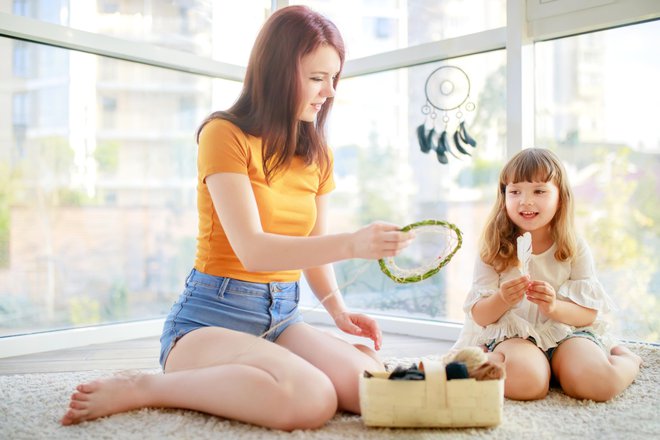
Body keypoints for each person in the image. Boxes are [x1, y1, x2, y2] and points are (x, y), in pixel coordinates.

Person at [60, 5, 413, 431]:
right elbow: (253, 249)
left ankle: (282, 366)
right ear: (278, 72)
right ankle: (145, 387)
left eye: (333, 78)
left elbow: (312, 249)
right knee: (312, 399)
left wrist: (339, 311)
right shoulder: (223, 134)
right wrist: (354, 243)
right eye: (317, 78)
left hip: (282, 318)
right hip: (210, 319)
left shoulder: (317, 155)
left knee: (375, 390)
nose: (329, 92)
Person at [453, 148, 641, 402]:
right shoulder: (494, 248)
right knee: (528, 385)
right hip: (515, 337)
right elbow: (479, 315)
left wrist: (553, 306)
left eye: (539, 191)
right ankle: (501, 359)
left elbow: (588, 314)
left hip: (567, 334)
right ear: (504, 196)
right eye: (515, 191)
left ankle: (629, 359)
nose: (526, 201)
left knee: (599, 384)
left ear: (560, 198)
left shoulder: (573, 246)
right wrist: (502, 299)